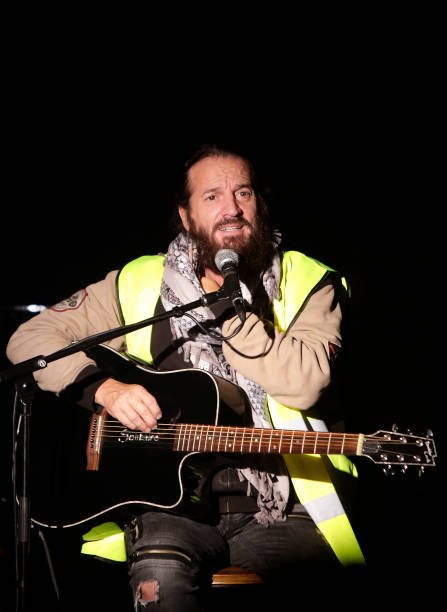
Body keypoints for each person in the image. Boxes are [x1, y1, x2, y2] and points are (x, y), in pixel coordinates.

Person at [6, 144, 366, 611]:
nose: (231, 209)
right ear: (186, 214)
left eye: (243, 193)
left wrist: (234, 313)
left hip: (282, 507)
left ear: (260, 204)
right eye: (212, 196)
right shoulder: (141, 280)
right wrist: (106, 390)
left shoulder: (309, 281)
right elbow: (31, 338)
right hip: (169, 507)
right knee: (162, 581)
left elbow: (303, 383)